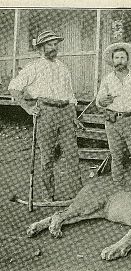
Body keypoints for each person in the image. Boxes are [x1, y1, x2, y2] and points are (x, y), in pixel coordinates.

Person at [9, 30, 83, 202]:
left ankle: (79, 197)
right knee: (47, 157)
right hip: (46, 111)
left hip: (65, 112)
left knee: (72, 155)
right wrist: (27, 108)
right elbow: (13, 87)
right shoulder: (33, 67)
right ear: (41, 47)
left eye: (55, 44)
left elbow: (71, 95)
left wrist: (73, 116)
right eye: (50, 44)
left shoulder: (63, 67)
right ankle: (47, 196)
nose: (54, 47)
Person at [96, 42, 131, 188]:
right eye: (117, 58)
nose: (120, 61)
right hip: (113, 122)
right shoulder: (107, 79)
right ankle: (118, 189)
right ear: (113, 60)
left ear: (127, 60)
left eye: (122, 57)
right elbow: (99, 102)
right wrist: (103, 101)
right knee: (116, 157)